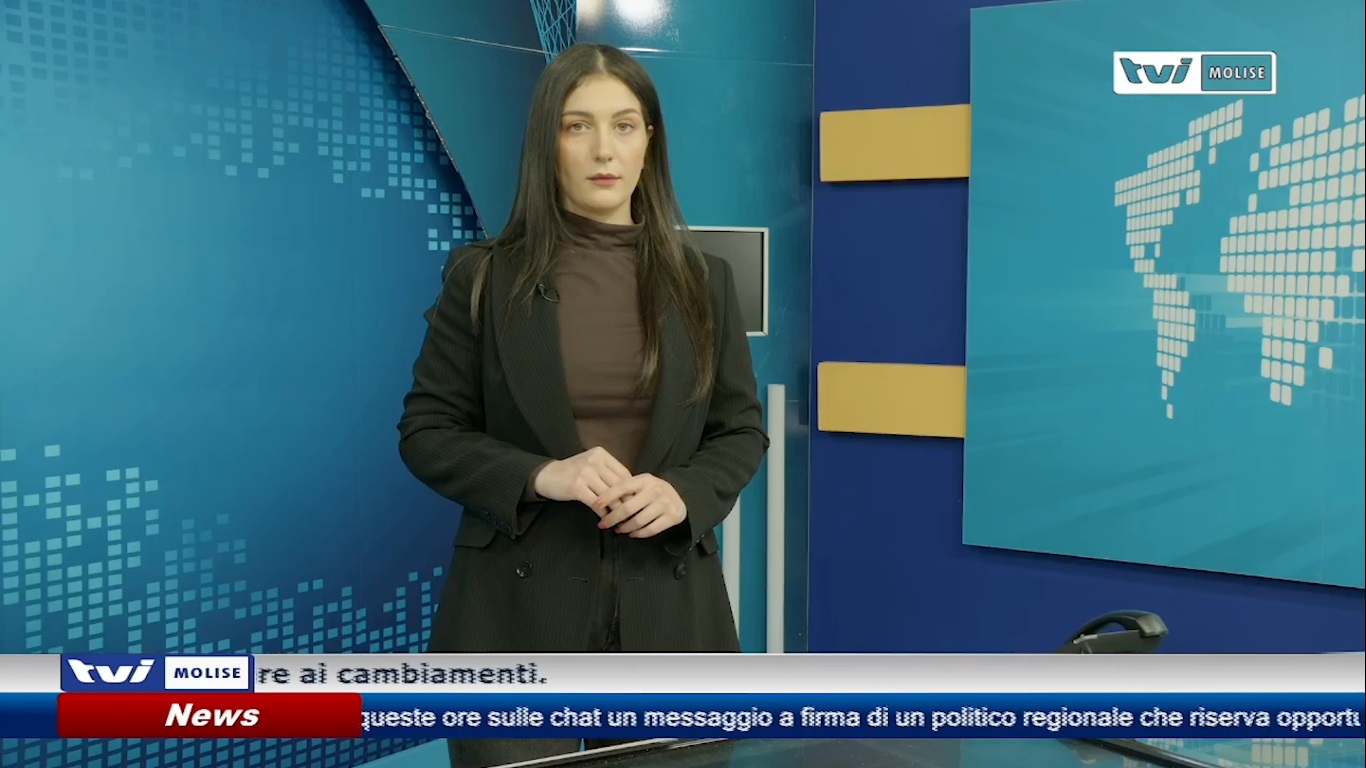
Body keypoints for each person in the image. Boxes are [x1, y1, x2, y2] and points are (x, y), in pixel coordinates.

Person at [397, 42, 769, 768]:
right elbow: (427, 431)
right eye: (578, 126)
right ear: (549, 142)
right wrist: (544, 475)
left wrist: (683, 492)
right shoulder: (482, 278)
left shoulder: (705, 281)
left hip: (671, 612)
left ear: (648, 140)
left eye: (624, 125)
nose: (605, 149)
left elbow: (741, 430)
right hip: (513, 617)